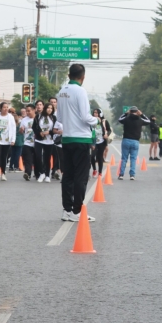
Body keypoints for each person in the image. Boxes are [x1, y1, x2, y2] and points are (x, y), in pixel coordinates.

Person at [55, 64, 99, 222]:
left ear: (68, 74)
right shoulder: (80, 91)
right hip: (81, 139)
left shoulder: (62, 91)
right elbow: (86, 116)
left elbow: (59, 118)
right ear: (83, 77)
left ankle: (67, 210)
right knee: (81, 177)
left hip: (66, 139)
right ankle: (77, 211)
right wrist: (96, 121)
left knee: (68, 176)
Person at [117, 106, 150, 180]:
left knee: (124, 158)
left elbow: (119, 119)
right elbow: (148, 121)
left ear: (130, 111)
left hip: (126, 140)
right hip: (135, 141)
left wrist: (125, 113)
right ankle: (132, 175)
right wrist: (142, 114)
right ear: (137, 111)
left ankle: (121, 174)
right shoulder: (140, 120)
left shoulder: (126, 119)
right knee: (133, 159)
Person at [32, 103, 56, 183]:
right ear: (45, 108)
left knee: (47, 158)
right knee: (38, 156)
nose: (49, 109)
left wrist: (48, 132)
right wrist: (39, 133)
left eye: (51, 108)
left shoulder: (53, 118)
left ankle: (47, 175)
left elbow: (55, 129)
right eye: (48, 108)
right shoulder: (38, 116)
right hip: (39, 140)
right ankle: (41, 173)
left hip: (49, 141)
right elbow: (34, 127)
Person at [0, 102, 17, 181]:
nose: (6, 109)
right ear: (1, 108)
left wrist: (13, 140)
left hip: (7, 140)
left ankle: (3, 173)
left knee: (4, 157)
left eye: (7, 107)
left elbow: (13, 129)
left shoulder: (10, 117)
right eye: (4, 107)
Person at [90, 109, 111, 178]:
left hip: (101, 141)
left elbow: (109, 129)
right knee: (92, 156)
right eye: (94, 112)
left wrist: (107, 134)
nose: (95, 114)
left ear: (100, 114)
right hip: (94, 141)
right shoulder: (91, 121)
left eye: (97, 113)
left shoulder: (104, 121)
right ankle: (94, 169)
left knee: (100, 157)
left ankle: (100, 172)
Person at [20, 104, 36, 181]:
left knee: (37, 159)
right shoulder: (24, 120)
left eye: (29, 111)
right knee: (27, 160)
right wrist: (21, 129)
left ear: (34, 110)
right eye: (26, 111)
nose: (27, 112)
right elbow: (20, 131)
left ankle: (38, 173)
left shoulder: (38, 118)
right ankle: (27, 173)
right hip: (27, 142)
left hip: (37, 142)